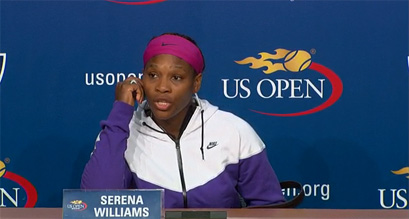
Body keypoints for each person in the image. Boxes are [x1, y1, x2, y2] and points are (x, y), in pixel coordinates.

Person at [81, 33, 285, 208]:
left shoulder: (234, 131)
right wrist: (121, 111)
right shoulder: (120, 134)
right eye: (152, 75)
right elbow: (95, 204)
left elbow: (269, 208)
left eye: (176, 77)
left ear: (196, 83)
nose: (162, 87)